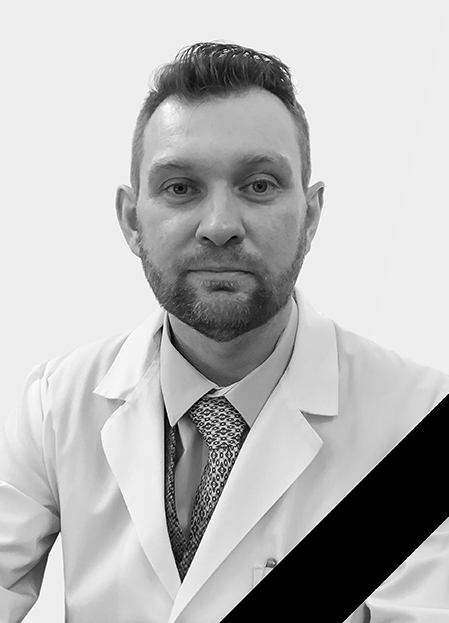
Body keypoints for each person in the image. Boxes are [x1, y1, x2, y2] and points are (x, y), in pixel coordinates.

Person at [0, 41, 448, 623]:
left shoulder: (417, 417)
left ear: (311, 215)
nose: (218, 226)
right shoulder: (56, 404)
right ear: (132, 220)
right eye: (180, 187)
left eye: (258, 185)